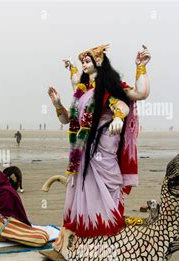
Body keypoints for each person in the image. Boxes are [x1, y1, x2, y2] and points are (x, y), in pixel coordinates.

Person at [48, 44, 151, 242]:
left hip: (104, 143)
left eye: (87, 61)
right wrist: (58, 104)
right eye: (82, 62)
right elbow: (67, 119)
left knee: (107, 185)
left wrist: (140, 67)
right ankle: (85, 231)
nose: (84, 65)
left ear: (99, 62)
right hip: (83, 147)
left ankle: (105, 230)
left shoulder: (111, 87)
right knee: (83, 186)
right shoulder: (82, 91)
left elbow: (139, 95)